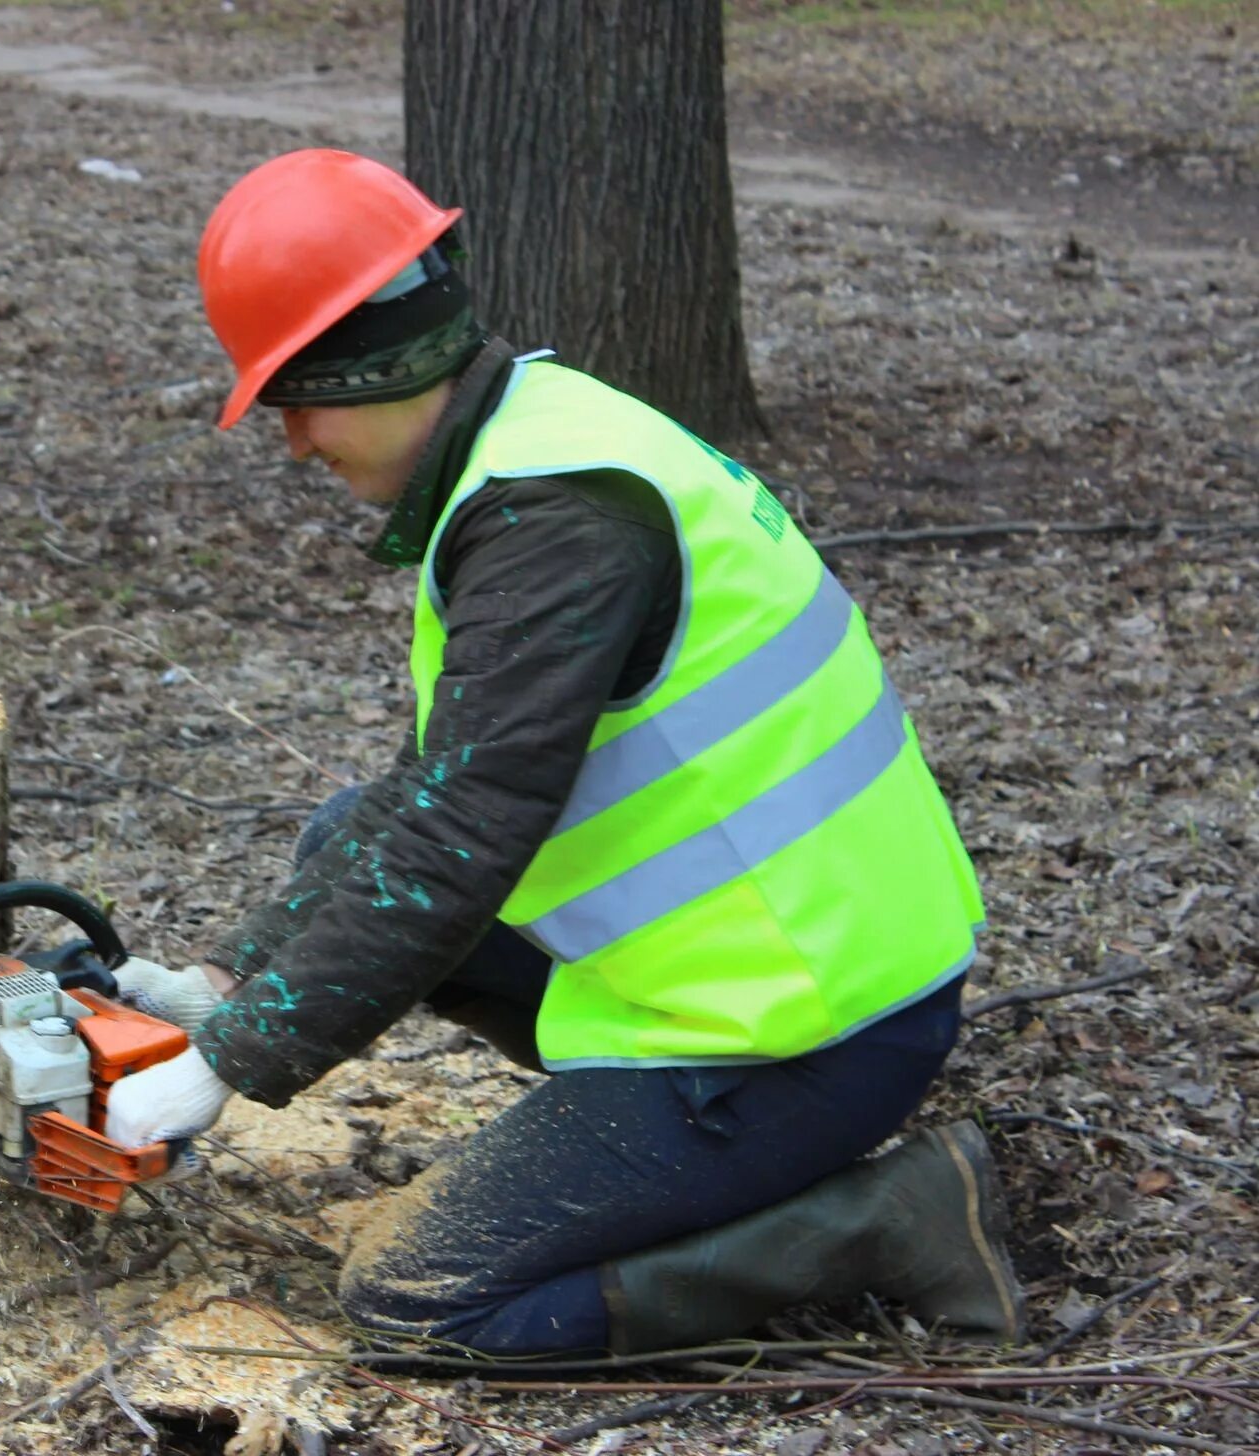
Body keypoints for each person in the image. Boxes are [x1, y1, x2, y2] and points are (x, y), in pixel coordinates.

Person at [100, 148, 1025, 1358]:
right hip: (766, 963)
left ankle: (878, 1219)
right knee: (349, 838)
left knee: (418, 1302)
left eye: (293, 400)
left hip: (799, 1027)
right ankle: (671, 1154)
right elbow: (426, 799)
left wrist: (238, 1057)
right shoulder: (537, 444)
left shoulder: (558, 525)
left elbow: (462, 830)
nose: (294, 445)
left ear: (366, 366)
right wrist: (229, 985)